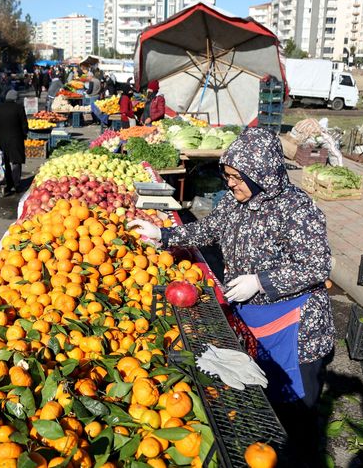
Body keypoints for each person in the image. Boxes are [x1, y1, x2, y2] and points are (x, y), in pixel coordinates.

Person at [129, 128, 334, 464]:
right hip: (253, 318)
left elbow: (317, 265)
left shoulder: (297, 210)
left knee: (297, 411)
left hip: (294, 327)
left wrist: (262, 281)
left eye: (238, 178)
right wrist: (163, 235)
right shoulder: (234, 203)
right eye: (228, 176)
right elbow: (207, 230)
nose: (231, 184)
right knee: (263, 399)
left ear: (261, 174)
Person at [0, 89, 29, 194]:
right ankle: (17, 184)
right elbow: (24, 124)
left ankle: (9, 184)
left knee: (6, 162)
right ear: (15, 98)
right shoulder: (19, 108)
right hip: (16, 139)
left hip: (2, 140)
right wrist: (25, 134)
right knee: (16, 162)